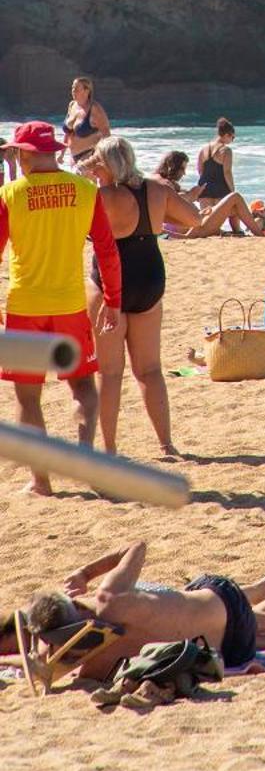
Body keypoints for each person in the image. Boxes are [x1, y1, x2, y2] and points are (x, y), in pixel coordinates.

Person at [8, 539, 265, 680]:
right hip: (210, 619)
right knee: (255, 626)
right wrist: (85, 575)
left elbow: (137, 545)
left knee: (256, 624)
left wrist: (87, 574)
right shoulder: (94, 633)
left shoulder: (106, 607)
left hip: (222, 609)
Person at [0, 121, 122, 494]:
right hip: (70, 304)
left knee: (27, 396)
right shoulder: (85, 190)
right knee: (83, 385)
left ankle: (41, 481)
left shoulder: (11, 195)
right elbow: (106, 249)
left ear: (23, 154)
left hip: (26, 305)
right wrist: (113, 300)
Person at [83, 136, 200, 459]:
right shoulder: (157, 189)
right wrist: (163, 215)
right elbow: (195, 219)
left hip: (111, 283)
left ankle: (108, 449)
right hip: (149, 279)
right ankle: (166, 444)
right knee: (150, 370)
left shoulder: (100, 196)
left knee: (108, 372)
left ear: (104, 164)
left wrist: (86, 173)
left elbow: (72, 227)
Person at [155, 149, 263, 237]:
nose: (184, 173)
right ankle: (260, 234)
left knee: (234, 208)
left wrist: (193, 197)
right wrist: (191, 196)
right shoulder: (166, 185)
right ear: (173, 167)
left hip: (195, 224)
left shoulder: (162, 184)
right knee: (235, 197)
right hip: (196, 229)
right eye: (182, 169)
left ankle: (238, 231)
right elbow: (173, 203)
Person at [193, 119, 256, 234]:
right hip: (220, 187)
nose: (232, 140)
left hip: (204, 188)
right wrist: (232, 189)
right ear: (227, 135)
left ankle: (216, 231)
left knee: (207, 218)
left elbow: (200, 170)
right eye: (233, 137)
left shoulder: (203, 149)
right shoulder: (226, 150)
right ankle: (237, 230)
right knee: (235, 210)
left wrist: (206, 184)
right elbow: (227, 172)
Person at [63, 76, 110, 156]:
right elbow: (68, 133)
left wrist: (101, 158)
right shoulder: (72, 105)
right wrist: (62, 154)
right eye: (72, 88)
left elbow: (107, 135)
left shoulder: (95, 109)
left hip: (90, 157)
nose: (73, 91)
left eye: (77, 88)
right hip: (73, 159)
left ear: (87, 90)